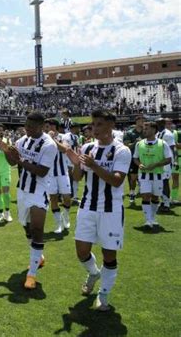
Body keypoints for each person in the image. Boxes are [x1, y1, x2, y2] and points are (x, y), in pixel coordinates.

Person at [72, 110, 131, 311]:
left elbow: (116, 181)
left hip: (111, 209)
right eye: (93, 124)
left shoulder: (122, 151)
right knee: (81, 251)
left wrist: (94, 165)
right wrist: (76, 163)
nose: (94, 129)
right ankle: (94, 273)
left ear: (111, 125)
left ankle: (103, 295)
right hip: (87, 205)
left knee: (109, 255)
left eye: (99, 124)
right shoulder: (88, 147)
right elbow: (77, 178)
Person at [0, 112, 57, 289]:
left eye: (31, 127)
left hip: (39, 190)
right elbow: (12, 163)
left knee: (37, 229)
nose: (27, 129)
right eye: (26, 125)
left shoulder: (49, 145)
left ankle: (31, 274)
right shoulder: (22, 141)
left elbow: (41, 171)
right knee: (27, 228)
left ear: (41, 127)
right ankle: (38, 258)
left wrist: (20, 159)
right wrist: (6, 151)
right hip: (23, 190)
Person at [133, 121, 172, 228]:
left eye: (147, 128)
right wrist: (139, 164)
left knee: (155, 197)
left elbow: (168, 159)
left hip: (158, 175)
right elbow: (135, 158)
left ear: (154, 130)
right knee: (145, 196)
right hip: (144, 175)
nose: (144, 130)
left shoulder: (162, 144)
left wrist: (155, 165)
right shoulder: (139, 143)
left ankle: (152, 218)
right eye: (144, 129)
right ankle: (148, 220)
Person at [45, 119, 72, 234]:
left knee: (67, 197)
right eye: (45, 127)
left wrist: (52, 139)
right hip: (50, 174)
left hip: (62, 172)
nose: (46, 129)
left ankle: (65, 214)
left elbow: (64, 149)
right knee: (53, 199)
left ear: (54, 127)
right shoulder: (43, 139)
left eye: (49, 126)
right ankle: (58, 223)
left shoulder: (63, 137)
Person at [156, 118, 176, 212]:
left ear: (163, 124)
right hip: (160, 161)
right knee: (160, 182)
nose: (157, 124)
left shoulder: (168, 134)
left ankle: (167, 204)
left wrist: (174, 161)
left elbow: (172, 148)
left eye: (159, 123)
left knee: (165, 182)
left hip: (166, 162)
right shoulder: (158, 133)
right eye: (157, 123)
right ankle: (163, 201)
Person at [123, 115, 144, 205]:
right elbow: (126, 146)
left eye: (143, 121)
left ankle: (148, 196)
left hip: (145, 157)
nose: (142, 122)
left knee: (146, 177)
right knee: (133, 177)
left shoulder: (146, 132)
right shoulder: (129, 133)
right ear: (136, 121)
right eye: (141, 120)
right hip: (132, 157)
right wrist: (135, 142)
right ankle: (132, 194)